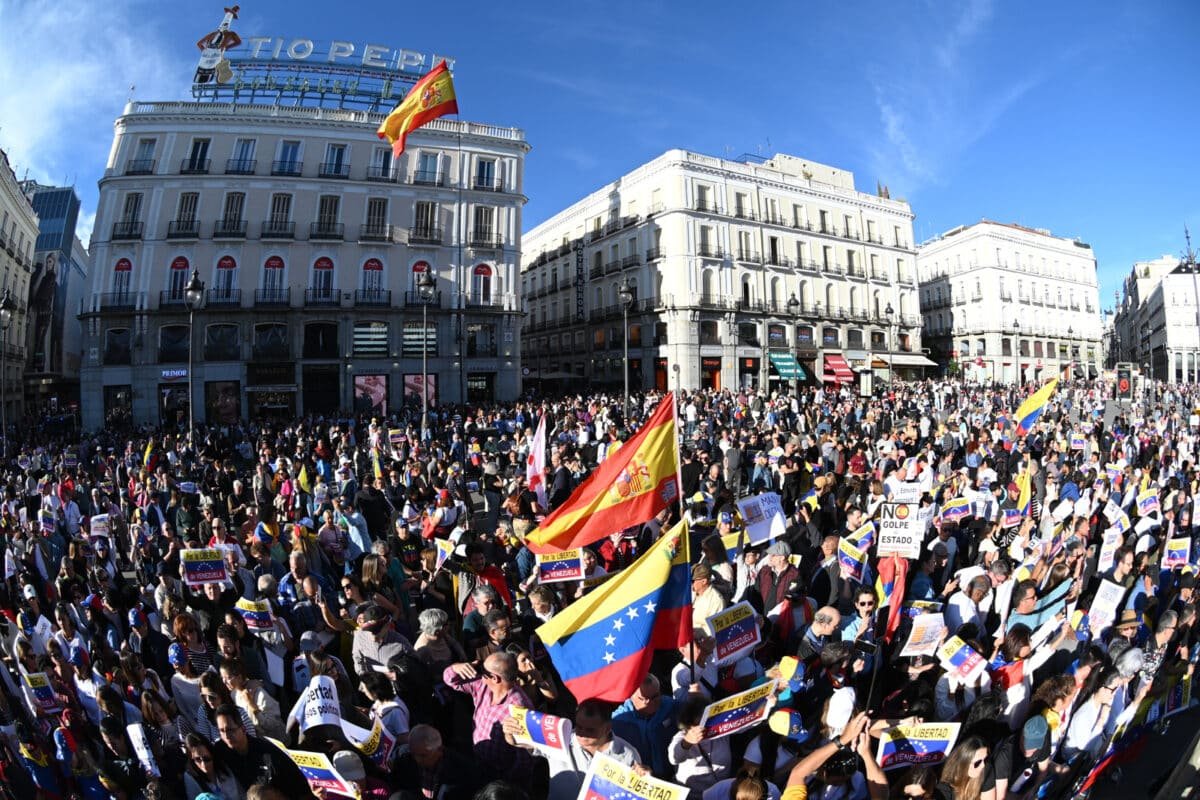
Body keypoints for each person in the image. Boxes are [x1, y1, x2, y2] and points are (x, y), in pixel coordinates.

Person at [503, 697, 643, 799]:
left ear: (607, 728)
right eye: (579, 726)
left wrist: (644, 778)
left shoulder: (628, 754)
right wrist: (510, 732)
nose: (581, 734)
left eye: (590, 730)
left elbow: (636, 793)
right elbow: (519, 741)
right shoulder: (560, 738)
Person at [213, 704, 317, 799]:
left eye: (230, 730)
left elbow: (299, 789)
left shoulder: (269, 754)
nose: (226, 736)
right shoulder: (220, 749)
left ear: (243, 729)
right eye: (222, 731)